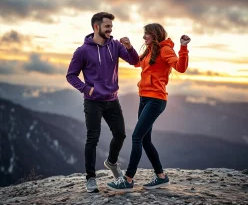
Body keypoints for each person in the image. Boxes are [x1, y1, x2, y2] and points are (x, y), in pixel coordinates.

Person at [107, 23, 191, 191]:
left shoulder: (165, 50)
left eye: (147, 34)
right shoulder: (149, 50)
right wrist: (129, 47)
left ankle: (128, 180)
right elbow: (137, 63)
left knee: (136, 137)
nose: (144, 37)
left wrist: (183, 47)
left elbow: (180, 68)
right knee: (145, 140)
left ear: (155, 34)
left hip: (156, 100)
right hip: (144, 98)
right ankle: (161, 177)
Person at [66, 12, 139, 193]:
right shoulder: (82, 51)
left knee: (121, 134)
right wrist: (86, 89)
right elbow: (71, 75)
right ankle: (91, 178)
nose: (110, 30)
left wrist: (129, 47)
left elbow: (135, 61)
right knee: (93, 139)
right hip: (93, 101)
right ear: (96, 27)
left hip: (112, 99)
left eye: (112, 27)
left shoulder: (114, 45)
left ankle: (112, 162)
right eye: (107, 27)